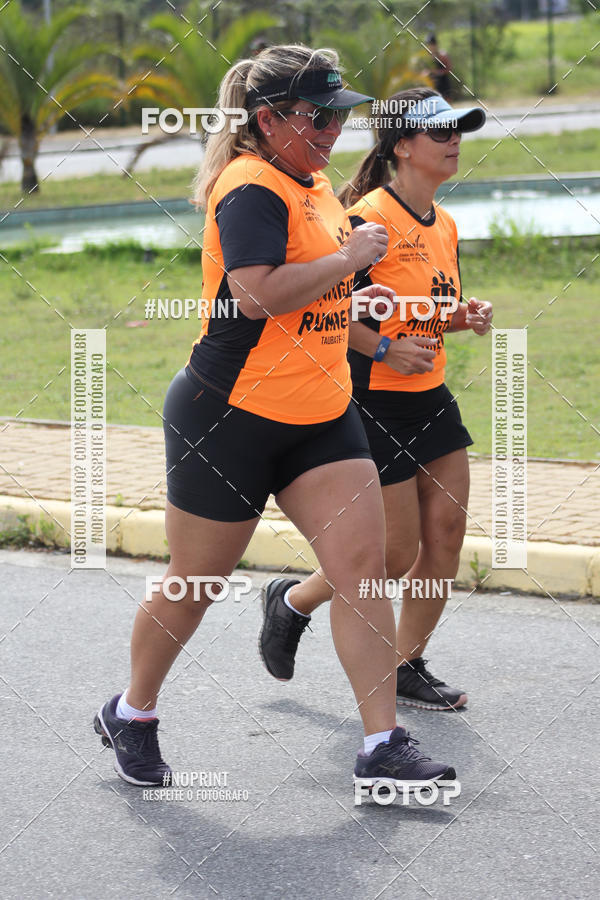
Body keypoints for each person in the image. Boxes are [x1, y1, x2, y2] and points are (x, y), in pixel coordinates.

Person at [94, 49, 456, 792]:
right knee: (196, 581)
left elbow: (321, 294)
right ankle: (131, 711)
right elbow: (257, 294)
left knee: (362, 570)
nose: (333, 130)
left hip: (321, 417)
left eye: (341, 115)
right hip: (231, 416)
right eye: (318, 116)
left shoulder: (315, 182)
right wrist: (351, 257)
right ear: (268, 120)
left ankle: (381, 743)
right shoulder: (249, 185)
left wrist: (376, 314)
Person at [259, 87, 492, 712]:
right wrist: (385, 351)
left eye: (457, 130)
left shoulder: (445, 223)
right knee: (391, 554)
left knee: (444, 536)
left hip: (430, 396)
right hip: (373, 402)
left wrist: (458, 316)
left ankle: (406, 664)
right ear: (402, 146)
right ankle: (292, 601)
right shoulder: (365, 218)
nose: (453, 141)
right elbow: (327, 311)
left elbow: (416, 309)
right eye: (439, 132)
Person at [424, 34, 453, 101]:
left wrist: (438, 72)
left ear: (435, 44)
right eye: (428, 44)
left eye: (431, 44)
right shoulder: (427, 57)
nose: (430, 46)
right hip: (432, 85)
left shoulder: (442, 55)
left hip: (444, 84)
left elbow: (449, 68)